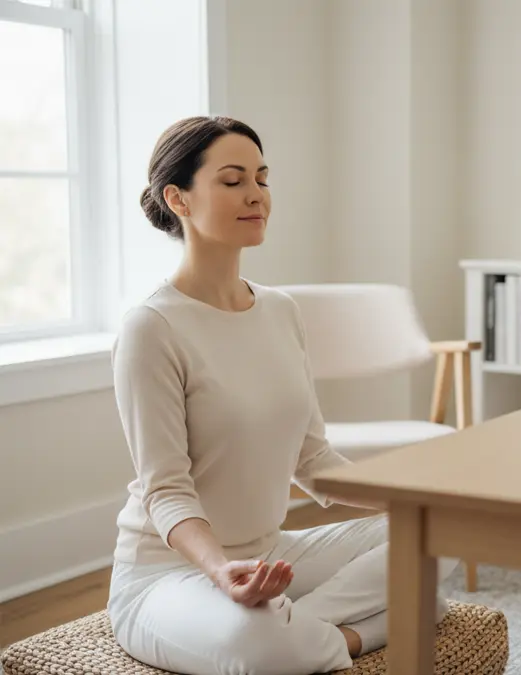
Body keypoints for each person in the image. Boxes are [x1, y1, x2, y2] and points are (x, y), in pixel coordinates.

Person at [106, 116, 457, 675]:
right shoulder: (152, 328)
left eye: (263, 179)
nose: (256, 195)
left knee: (442, 530)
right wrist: (222, 572)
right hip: (169, 574)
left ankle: (297, 626)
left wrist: (408, 501)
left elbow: (313, 459)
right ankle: (336, 631)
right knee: (262, 646)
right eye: (232, 180)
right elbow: (165, 492)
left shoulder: (280, 310)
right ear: (179, 198)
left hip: (272, 555)